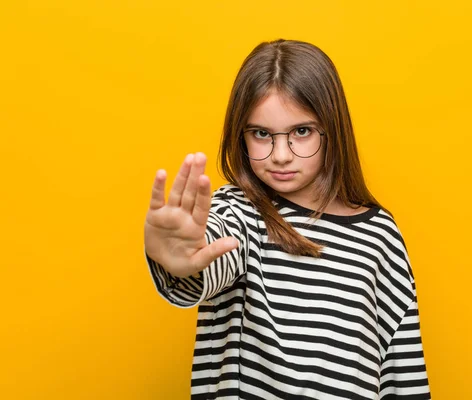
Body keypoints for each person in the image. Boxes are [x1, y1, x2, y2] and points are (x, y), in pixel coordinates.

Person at [144, 39, 431, 399]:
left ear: (333, 131)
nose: (281, 155)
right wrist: (181, 262)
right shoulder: (239, 212)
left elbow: (402, 372)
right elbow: (214, 247)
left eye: (302, 131)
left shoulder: (380, 235)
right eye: (262, 134)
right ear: (241, 135)